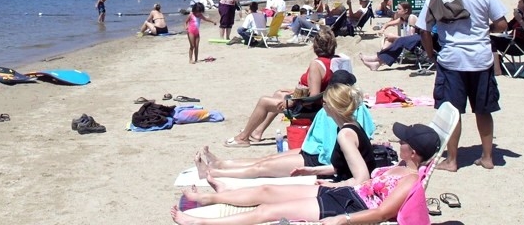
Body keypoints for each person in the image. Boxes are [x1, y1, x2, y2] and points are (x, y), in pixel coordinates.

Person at [171, 122, 441, 225]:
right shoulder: (400, 166)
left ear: (413, 152)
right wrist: (337, 182)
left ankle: (201, 223)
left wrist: (345, 220)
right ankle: (211, 199)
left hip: (349, 205)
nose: (399, 142)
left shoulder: (409, 181)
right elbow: (368, 183)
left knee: (269, 210)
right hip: (345, 192)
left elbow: (382, 213)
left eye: (404, 142)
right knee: (268, 191)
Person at [418, 0, 507, 171]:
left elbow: (424, 30)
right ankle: (487, 157)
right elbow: (502, 24)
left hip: (451, 60)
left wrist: (431, 54)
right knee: (483, 110)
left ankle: (452, 160)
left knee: (452, 111)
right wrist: (485, 29)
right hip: (480, 60)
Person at [197, 76, 375, 180]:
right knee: (267, 160)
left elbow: (343, 152)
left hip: (318, 158)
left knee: (263, 168)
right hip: (312, 153)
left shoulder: (345, 122)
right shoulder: (350, 114)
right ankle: (220, 164)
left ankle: (213, 172)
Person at [225, 28, 337, 147]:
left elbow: (314, 96)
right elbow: (321, 87)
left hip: (309, 108)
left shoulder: (316, 64)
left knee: (264, 101)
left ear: (316, 45)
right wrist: (295, 91)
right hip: (317, 102)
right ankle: (258, 132)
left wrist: (292, 102)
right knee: (279, 93)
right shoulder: (333, 61)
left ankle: (243, 137)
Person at [491, 0, 524, 76]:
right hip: (515, 42)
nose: (518, 2)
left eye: (520, 1)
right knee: (490, 38)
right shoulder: (520, 14)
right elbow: (508, 27)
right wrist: (493, 26)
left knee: (489, 40)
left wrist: (519, 20)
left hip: (522, 45)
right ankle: (497, 60)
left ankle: (496, 65)